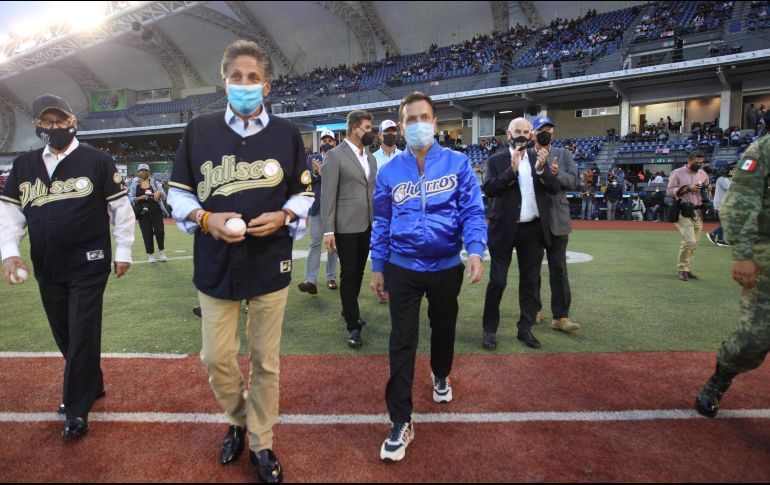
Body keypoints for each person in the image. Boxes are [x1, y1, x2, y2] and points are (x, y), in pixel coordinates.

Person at [167, 40, 313, 483]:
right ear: (224, 82)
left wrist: (285, 215)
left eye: (253, 78)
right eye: (237, 77)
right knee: (216, 358)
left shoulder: (287, 134)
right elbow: (178, 193)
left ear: (266, 86)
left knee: (266, 360)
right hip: (215, 259)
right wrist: (205, 218)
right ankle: (238, 418)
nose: (245, 84)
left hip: (270, 258)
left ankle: (261, 441)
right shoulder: (199, 130)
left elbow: (304, 192)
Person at [0, 94, 135, 439]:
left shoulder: (97, 160)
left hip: (89, 261)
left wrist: (124, 250)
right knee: (65, 331)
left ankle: (76, 407)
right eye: (48, 121)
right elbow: (10, 214)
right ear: (36, 125)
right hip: (47, 264)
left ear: (73, 121)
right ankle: (93, 383)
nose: (56, 127)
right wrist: (10, 252)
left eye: (61, 120)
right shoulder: (24, 165)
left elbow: (121, 209)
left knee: (82, 329)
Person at [370, 92, 487, 463]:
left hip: (446, 266)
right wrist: (378, 265)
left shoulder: (458, 163)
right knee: (401, 340)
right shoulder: (389, 172)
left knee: (444, 326)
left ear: (435, 123)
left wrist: (475, 250)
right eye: (411, 119)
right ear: (402, 126)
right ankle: (401, 420)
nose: (418, 124)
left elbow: (472, 211)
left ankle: (440, 372)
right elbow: (382, 221)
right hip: (402, 267)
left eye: (424, 117)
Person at [694, 135, 770, 418]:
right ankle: (720, 379)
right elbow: (741, 201)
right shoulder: (763, 150)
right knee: (753, 338)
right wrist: (743, 253)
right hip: (766, 253)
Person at [482, 117, 560, 350]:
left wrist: (543, 171)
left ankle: (525, 328)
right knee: (498, 281)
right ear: (509, 134)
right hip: (503, 229)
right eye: (518, 131)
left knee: (530, 283)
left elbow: (553, 189)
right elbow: (489, 189)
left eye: (526, 132)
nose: (522, 135)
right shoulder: (496, 160)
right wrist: (511, 171)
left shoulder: (539, 158)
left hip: (533, 230)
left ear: (531, 135)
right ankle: (489, 329)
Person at [321, 110, 377, 348]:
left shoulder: (371, 158)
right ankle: (353, 325)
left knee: (359, 272)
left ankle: (349, 309)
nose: (371, 132)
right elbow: (327, 195)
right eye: (367, 127)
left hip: (367, 224)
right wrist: (328, 230)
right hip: (344, 226)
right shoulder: (335, 155)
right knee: (349, 273)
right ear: (355, 129)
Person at [531, 117, 581, 333]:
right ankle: (533, 309)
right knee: (532, 269)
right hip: (533, 218)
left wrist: (556, 173)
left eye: (550, 129)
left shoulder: (564, 154)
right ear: (533, 133)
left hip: (557, 219)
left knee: (559, 269)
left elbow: (574, 181)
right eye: (542, 129)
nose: (547, 133)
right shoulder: (526, 154)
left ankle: (560, 316)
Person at [298, 130, 338, 294]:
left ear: (334, 142)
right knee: (315, 242)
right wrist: (316, 173)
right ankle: (310, 280)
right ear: (320, 142)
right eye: (324, 140)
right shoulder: (311, 158)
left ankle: (331, 277)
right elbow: (305, 179)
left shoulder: (339, 157)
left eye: (330, 140)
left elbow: (338, 180)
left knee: (333, 244)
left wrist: (321, 173)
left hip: (334, 206)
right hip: (317, 206)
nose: (326, 143)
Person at [666, 151, 710, 281]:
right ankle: (682, 269)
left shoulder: (703, 174)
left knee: (694, 244)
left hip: (698, 211)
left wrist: (708, 189)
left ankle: (687, 268)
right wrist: (687, 188)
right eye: (696, 163)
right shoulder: (677, 173)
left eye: (701, 163)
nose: (699, 165)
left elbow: (707, 189)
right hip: (683, 210)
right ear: (689, 160)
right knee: (689, 241)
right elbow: (669, 191)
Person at [129, 164, 169, 263]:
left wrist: (159, 193)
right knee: (147, 233)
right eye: (141, 170)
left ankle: (161, 252)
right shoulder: (134, 183)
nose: (143, 172)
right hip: (142, 212)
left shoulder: (155, 183)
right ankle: (151, 254)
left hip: (156, 210)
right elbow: (130, 198)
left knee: (159, 232)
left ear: (149, 172)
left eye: (145, 170)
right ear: (138, 173)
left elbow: (164, 196)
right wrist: (141, 197)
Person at [707, 167, 735, 247]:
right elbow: (729, 188)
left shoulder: (725, 179)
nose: (734, 171)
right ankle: (713, 233)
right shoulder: (721, 179)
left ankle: (720, 240)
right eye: (732, 170)